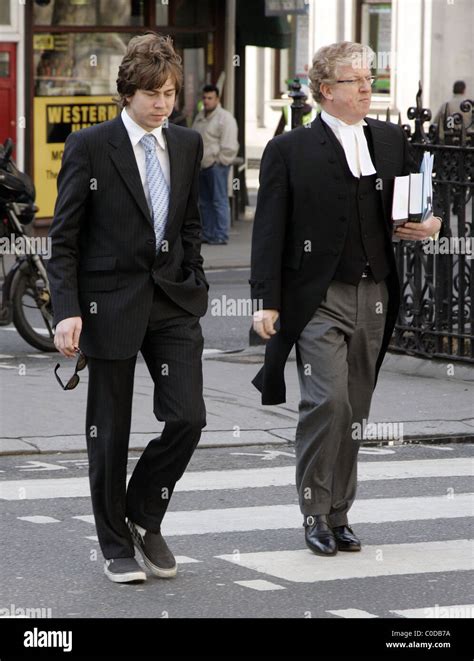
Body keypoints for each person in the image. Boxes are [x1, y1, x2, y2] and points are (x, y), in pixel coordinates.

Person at [250, 42, 443, 557]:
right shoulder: (289, 150)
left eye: (370, 79)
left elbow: (419, 203)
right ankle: (314, 511)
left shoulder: (389, 138)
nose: (367, 89)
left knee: (356, 407)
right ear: (324, 91)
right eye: (355, 81)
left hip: (375, 292)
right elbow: (268, 231)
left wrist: (429, 223)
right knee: (327, 400)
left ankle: (339, 513)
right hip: (317, 298)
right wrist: (266, 300)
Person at [47, 33, 208, 583]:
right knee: (109, 433)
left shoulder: (186, 144)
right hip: (108, 304)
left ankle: (143, 513)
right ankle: (116, 546)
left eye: (168, 93)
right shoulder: (91, 146)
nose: (162, 104)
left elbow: (188, 225)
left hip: (172, 301)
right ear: (126, 92)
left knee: (189, 417)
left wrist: (197, 280)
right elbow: (63, 237)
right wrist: (67, 309)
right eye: (151, 94)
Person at [192, 84, 239, 245]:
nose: (206, 101)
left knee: (219, 200)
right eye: (204, 98)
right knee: (205, 202)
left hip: (217, 166)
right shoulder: (200, 116)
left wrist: (220, 161)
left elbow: (230, 144)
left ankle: (221, 235)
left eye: (210, 98)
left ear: (217, 99)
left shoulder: (225, 118)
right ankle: (208, 233)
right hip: (202, 165)